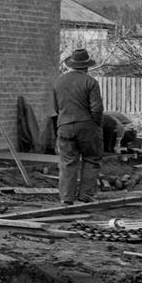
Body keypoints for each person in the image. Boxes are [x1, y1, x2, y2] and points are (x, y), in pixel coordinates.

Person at [51, 47, 105, 206]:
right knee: (91, 159)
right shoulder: (91, 82)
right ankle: (86, 195)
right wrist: (96, 125)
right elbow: (97, 109)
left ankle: (66, 197)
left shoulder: (58, 82)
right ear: (86, 66)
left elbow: (56, 107)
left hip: (64, 125)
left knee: (67, 162)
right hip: (87, 126)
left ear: (71, 64)